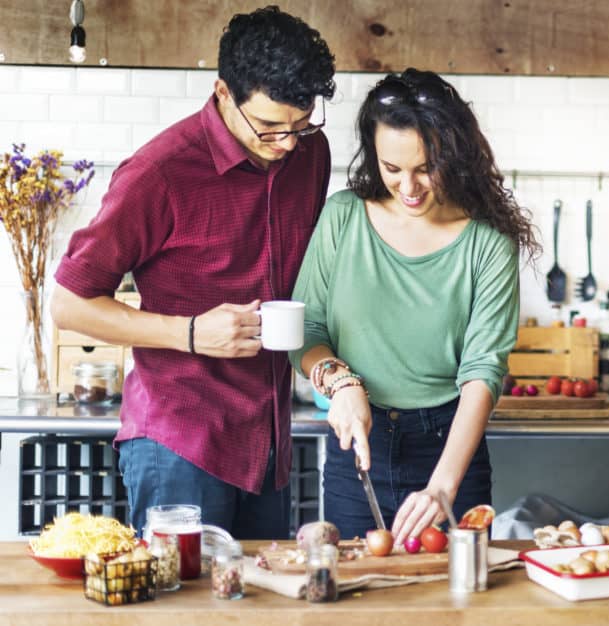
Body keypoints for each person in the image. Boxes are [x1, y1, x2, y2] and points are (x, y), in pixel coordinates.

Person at [50, 6, 336, 539]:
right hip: (180, 441)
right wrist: (188, 332)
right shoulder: (159, 173)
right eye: (270, 126)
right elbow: (69, 303)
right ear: (223, 93)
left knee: (259, 610)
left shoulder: (309, 154)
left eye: (301, 124)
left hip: (268, 442)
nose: (288, 143)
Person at [290, 68, 540, 544]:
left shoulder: (487, 242)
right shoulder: (343, 217)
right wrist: (338, 382)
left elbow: (483, 370)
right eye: (392, 169)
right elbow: (308, 327)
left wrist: (442, 486)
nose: (409, 187)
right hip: (357, 448)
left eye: (426, 168)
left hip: (450, 448)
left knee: (458, 607)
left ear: (455, 155)